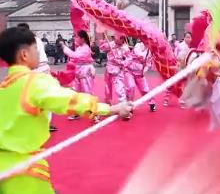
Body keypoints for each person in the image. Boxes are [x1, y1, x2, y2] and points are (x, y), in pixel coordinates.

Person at [0, 27, 133, 194]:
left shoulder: (3, 88)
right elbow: (69, 100)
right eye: (36, 49)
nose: (40, 53)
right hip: (24, 173)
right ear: (24, 55)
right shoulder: (34, 82)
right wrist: (111, 109)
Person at [17, 23, 58, 133]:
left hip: (36, 70)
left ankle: (38, 122)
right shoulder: (37, 40)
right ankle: (45, 122)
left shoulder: (25, 43)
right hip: (43, 68)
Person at [61, 30, 96, 121]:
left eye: (77, 37)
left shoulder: (85, 48)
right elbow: (75, 57)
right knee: (76, 92)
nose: (75, 38)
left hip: (85, 72)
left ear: (82, 39)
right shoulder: (80, 47)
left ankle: (95, 113)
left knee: (87, 92)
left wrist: (65, 48)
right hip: (79, 71)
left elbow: (75, 56)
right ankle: (77, 111)